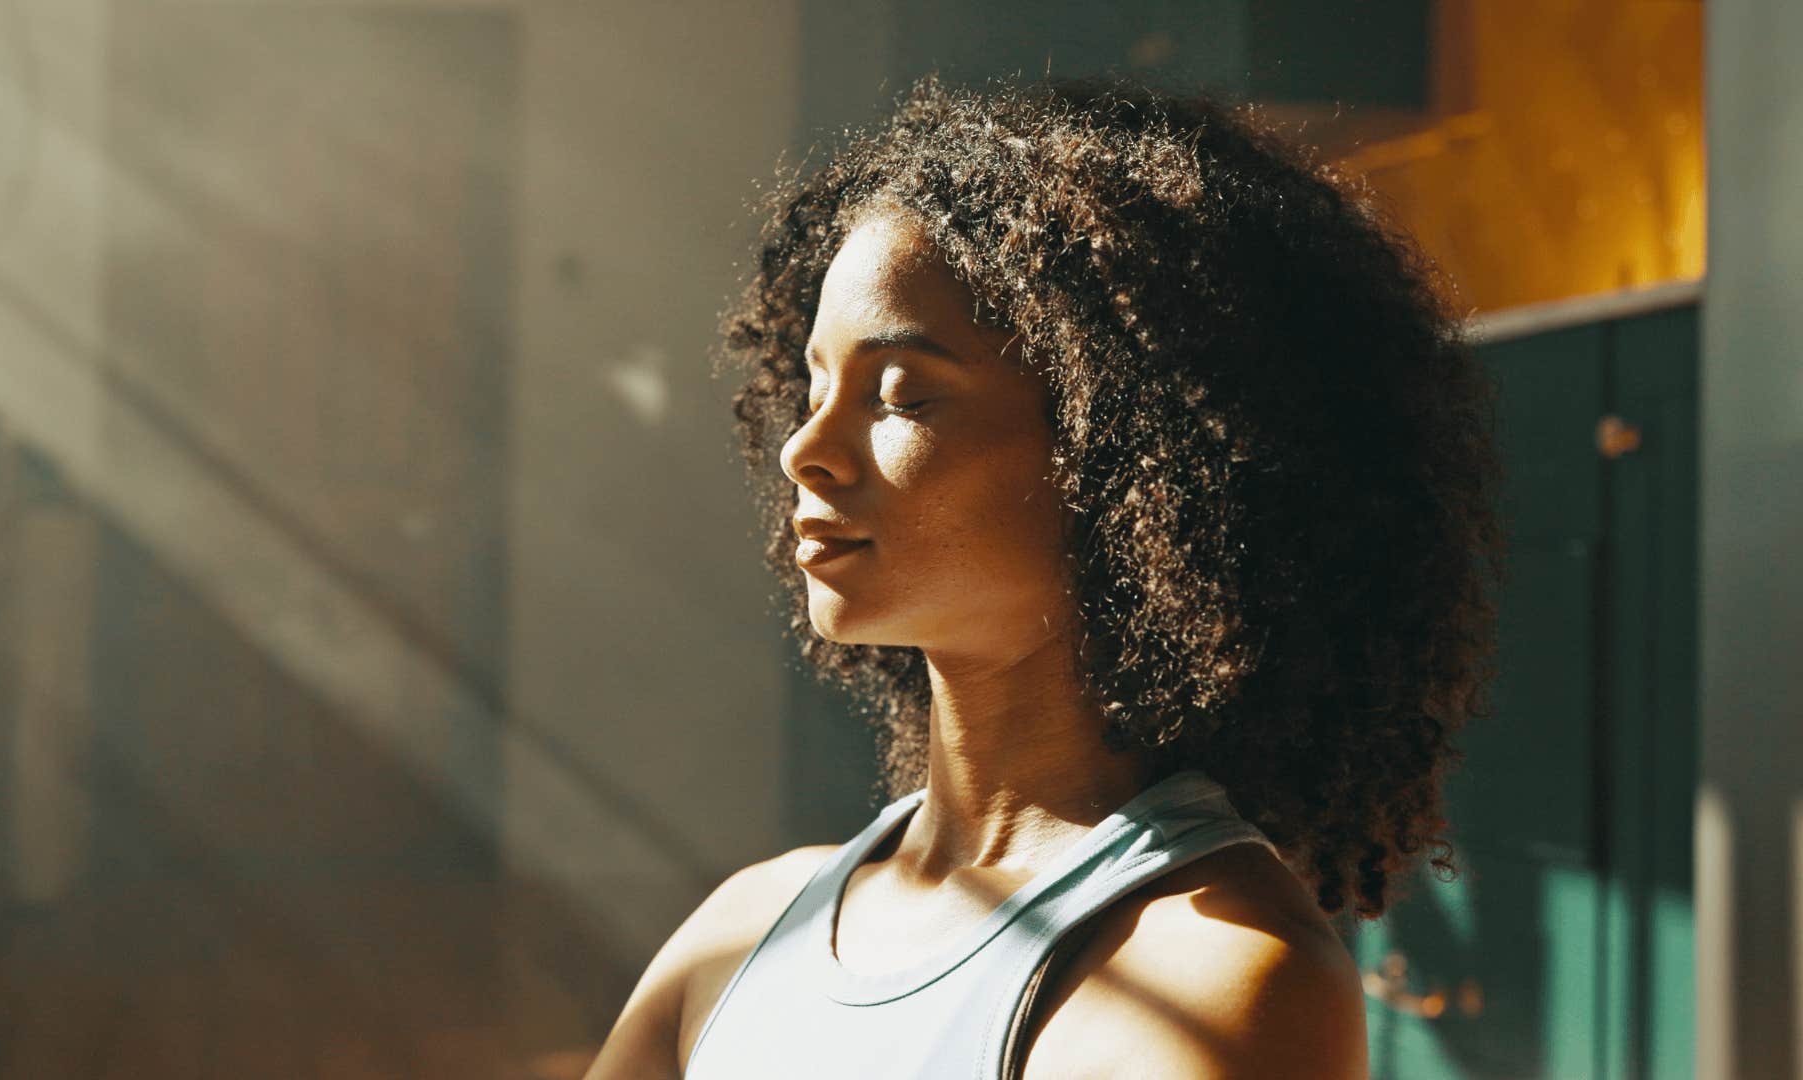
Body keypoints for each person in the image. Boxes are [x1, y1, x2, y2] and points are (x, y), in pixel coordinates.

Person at [585, 74, 1504, 1079]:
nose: (806, 448)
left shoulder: (1208, 979)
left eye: (902, 395)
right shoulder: (744, 931)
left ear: (1123, 450)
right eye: (814, 384)